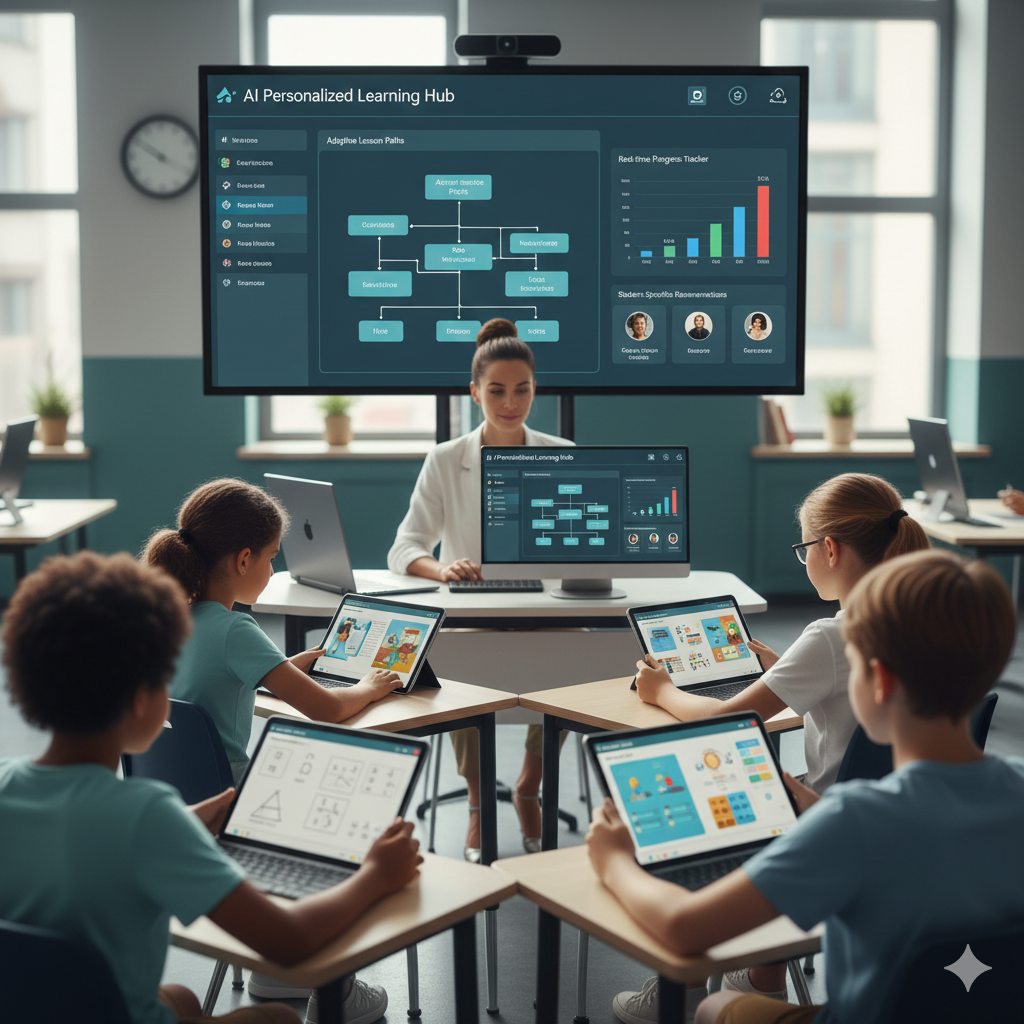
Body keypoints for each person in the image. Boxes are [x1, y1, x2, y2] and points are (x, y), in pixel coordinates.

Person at [588, 549, 1024, 1024]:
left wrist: (612, 859)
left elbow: (684, 929)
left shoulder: (854, 821)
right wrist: (821, 812)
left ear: (878, 680)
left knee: (714, 1005)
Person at [0, 551, 422, 1024]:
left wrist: (178, 825)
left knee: (181, 997)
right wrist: (377, 876)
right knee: (279, 1019)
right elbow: (288, 940)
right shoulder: (146, 816)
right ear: (141, 697)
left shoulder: (5, 781)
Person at [617, 473, 930, 1019]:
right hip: (901, 819)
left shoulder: (832, 636)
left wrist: (661, 688)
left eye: (804, 547)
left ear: (828, 548)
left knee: (704, 800)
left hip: (827, 821)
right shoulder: (924, 618)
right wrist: (785, 666)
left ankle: (679, 993)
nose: (804, 559)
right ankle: (763, 977)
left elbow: (721, 720)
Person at [387, 318, 572, 861]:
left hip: (546, 610)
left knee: (584, 661)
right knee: (459, 667)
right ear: (474, 392)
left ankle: (528, 786)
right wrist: (441, 569)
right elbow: (405, 548)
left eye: (522, 390)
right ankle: (475, 803)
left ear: (535, 391)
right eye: (496, 390)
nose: (510, 402)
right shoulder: (446, 459)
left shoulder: (559, 450)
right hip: (472, 616)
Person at [144, 479, 403, 785]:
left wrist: (282, 667)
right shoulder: (235, 631)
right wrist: (369, 687)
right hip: (225, 794)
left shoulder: (166, 619)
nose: (271, 570)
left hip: (167, 787)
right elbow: (327, 709)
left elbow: (215, 678)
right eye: (271, 557)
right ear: (243, 560)